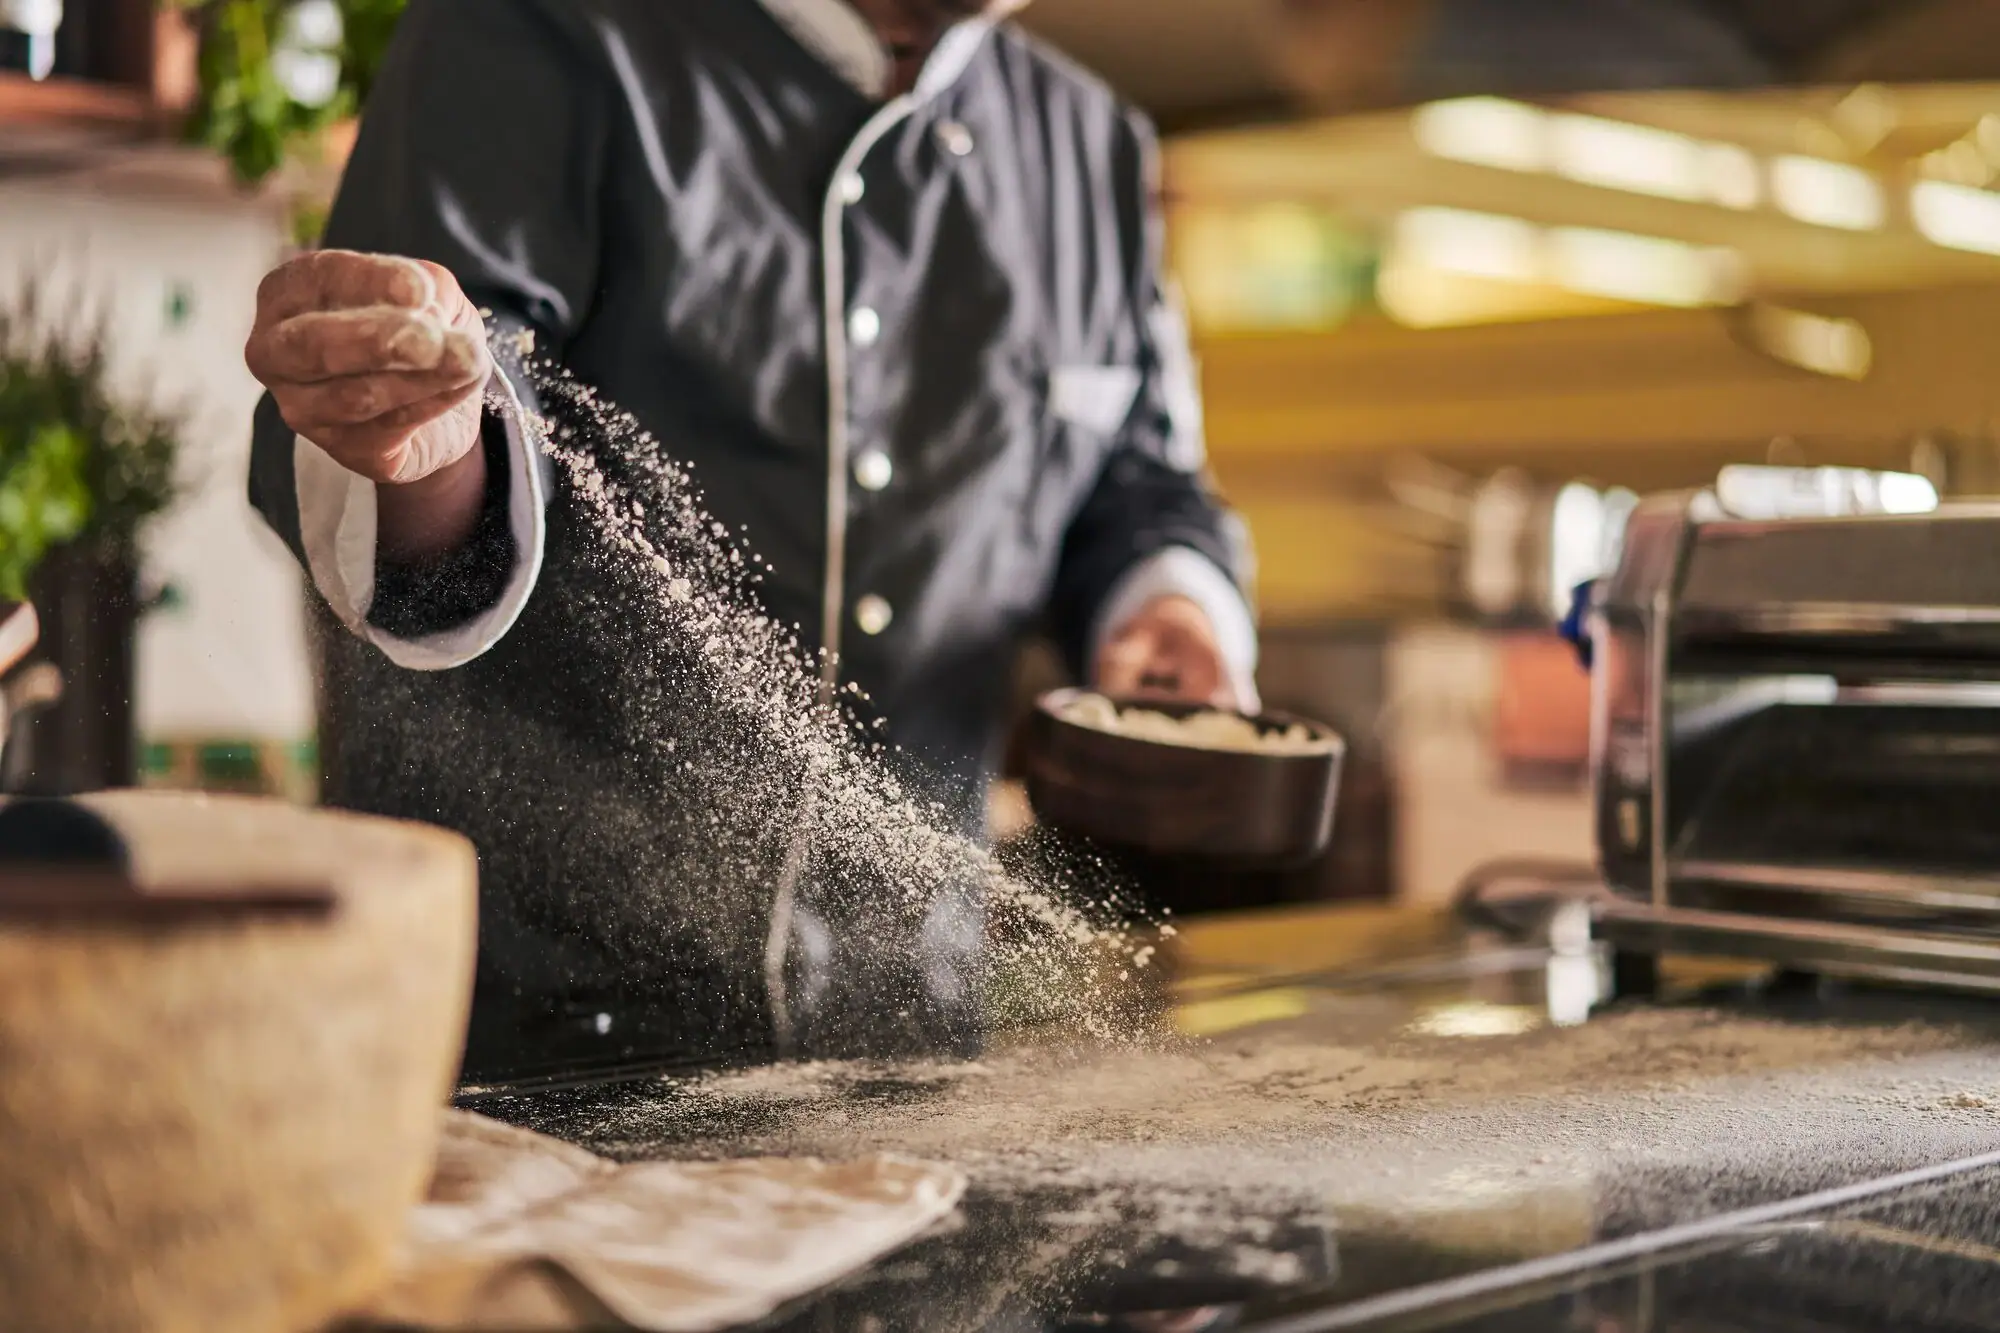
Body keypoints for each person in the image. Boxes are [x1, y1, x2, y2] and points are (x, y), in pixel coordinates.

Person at [243, 0, 1258, 1072]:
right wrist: (425, 443)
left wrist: (1166, 600)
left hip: (911, 1056)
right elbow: (433, 422)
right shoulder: (532, 36)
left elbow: (1139, 483)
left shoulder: (1089, 144)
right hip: (525, 1063)